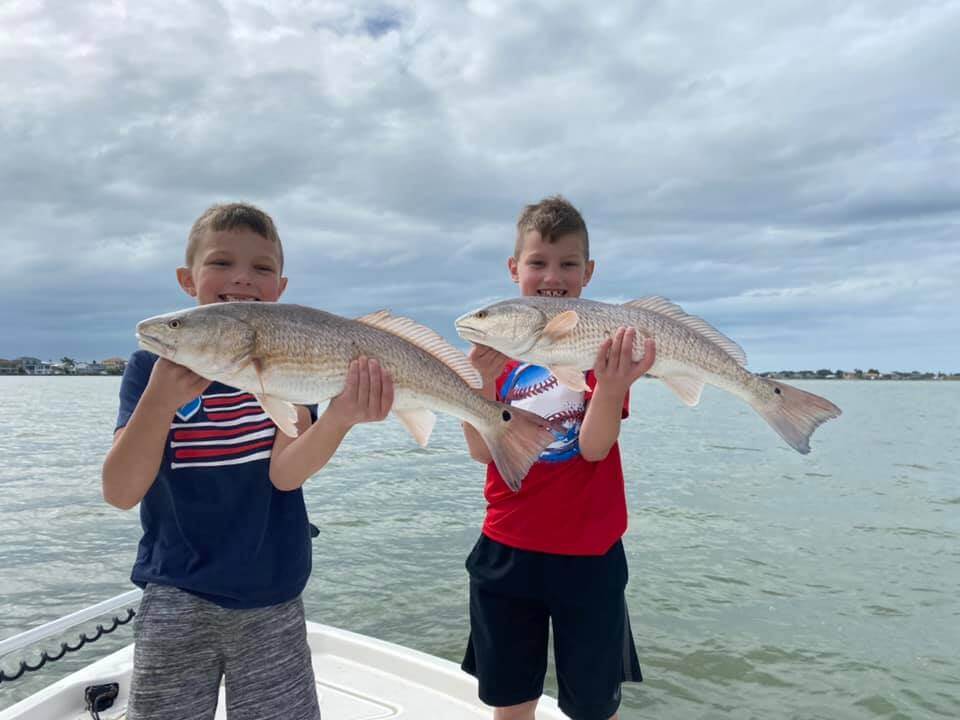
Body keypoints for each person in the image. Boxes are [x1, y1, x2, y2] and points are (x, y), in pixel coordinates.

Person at [101, 202, 394, 720]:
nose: (241, 278)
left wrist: (341, 417)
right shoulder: (150, 367)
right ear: (187, 279)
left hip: (273, 592)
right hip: (176, 593)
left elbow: (286, 473)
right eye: (221, 263)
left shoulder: (294, 365)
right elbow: (121, 491)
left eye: (261, 268)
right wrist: (158, 401)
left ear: (280, 287)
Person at [460, 195, 656, 720]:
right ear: (514, 269)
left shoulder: (602, 350)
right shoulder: (493, 359)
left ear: (588, 273)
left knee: (594, 705)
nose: (553, 275)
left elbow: (594, 447)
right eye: (538, 262)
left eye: (568, 264)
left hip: (590, 554)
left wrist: (612, 385)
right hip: (506, 550)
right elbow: (483, 451)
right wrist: (478, 379)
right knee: (510, 700)